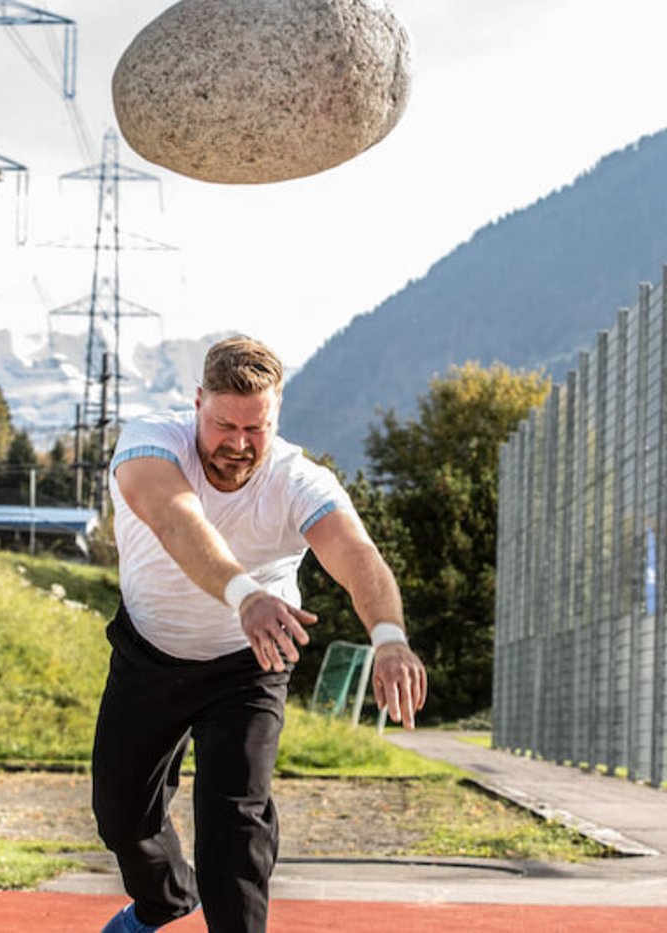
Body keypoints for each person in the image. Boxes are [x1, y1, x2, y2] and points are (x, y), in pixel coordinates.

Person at [94, 336, 428, 933]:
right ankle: (167, 901)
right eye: (225, 425)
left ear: (276, 416)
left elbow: (357, 556)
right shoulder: (150, 443)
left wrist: (390, 637)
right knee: (121, 817)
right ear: (198, 403)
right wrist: (245, 595)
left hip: (249, 664)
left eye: (258, 427)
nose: (240, 445)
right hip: (150, 656)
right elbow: (177, 520)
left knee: (234, 820)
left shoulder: (298, 479)